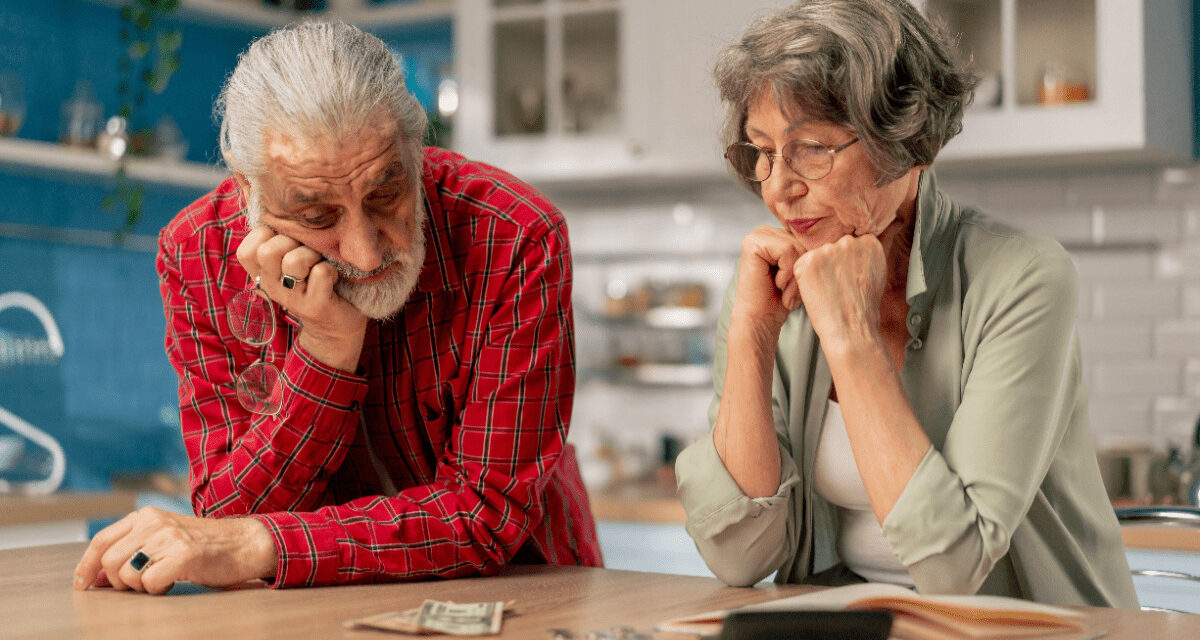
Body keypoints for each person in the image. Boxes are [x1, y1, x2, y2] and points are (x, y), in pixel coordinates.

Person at [73, 21, 601, 595]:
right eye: (317, 216)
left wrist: (262, 545)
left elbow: (483, 515)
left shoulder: (515, 235)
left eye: (386, 194)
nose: (366, 253)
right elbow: (228, 513)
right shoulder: (198, 252)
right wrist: (327, 348)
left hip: (526, 588)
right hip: (317, 609)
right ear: (249, 192)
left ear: (416, 150)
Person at [675, 0, 1138, 608]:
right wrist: (752, 335)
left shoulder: (1024, 276)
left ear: (906, 141)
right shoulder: (773, 282)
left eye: (810, 147)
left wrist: (851, 336)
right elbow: (738, 557)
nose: (779, 188)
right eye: (763, 151)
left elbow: (954, 568)